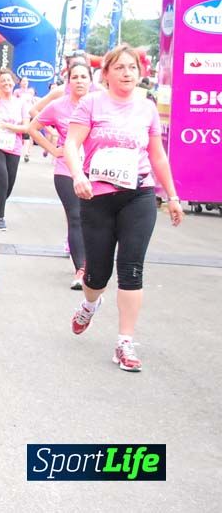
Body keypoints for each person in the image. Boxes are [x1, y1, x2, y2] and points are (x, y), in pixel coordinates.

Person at [63, 44, 183, 372]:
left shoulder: (147, 108)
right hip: (97, 197)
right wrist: (78, 175)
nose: (127, 73)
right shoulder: (91, 103)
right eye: (119, 68)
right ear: (106, 74)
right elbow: (71, 143)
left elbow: (157, 155)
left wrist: (172, 196)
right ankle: (90, 304)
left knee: (131, 267)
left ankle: (125, 342)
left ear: (140, 73)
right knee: (97, 274)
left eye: (132, 68)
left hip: (138, 195)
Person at [29, 62, 91, 290]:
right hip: (66, 169)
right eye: (75, 77)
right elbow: (32, 127)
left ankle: (94, 264)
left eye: (84, 77)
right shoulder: (58, 106)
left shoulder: (100, 104)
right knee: (75, 217)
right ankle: (81, 269)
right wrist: (53, 149)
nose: (79, 81)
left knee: (94, 220)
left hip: (95, 170)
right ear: (68, 81)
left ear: (90, 81)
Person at [0, 68, 31, 231]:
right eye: (2, 80)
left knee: (9, 184)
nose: (6, 83)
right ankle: (0, 217)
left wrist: (7, 126)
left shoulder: (21, 103)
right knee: (2, 179)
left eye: (8, 80)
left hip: (14, 146)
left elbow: (26, 128)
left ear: (14, 82)